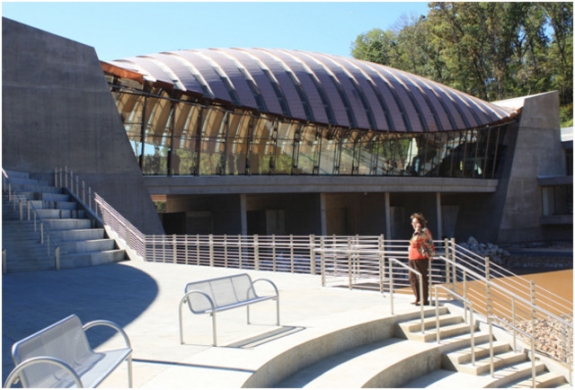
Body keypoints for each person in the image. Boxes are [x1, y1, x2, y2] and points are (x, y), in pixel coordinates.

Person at [408, 212, 435, 306]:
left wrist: (417, 229)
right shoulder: (417, 231)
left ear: (420, 223)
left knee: (421, 278)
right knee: (412, 278)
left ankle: (424, 299)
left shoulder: (424, 231)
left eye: (415, 222)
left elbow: (416, 241)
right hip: (412, 257)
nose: (413, 224)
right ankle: (417, 297)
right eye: (412, 222)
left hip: (421, 258)